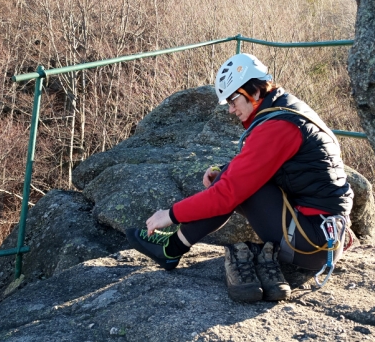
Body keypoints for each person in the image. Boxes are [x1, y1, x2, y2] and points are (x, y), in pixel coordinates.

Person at [126, 53, 353, 302]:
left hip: (310, 244)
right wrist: (225, 169)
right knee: (229, 177)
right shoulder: (287, 108)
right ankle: (173, 248)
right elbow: (279, 164)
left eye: (233, 100)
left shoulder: (277, 126)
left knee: (230, 187)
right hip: (325, 234)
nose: (231, 109)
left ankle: (171, 249)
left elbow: (226, 195)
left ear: (254, 91)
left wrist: (169, 215)